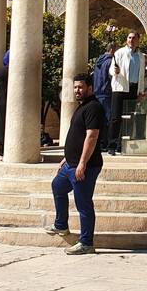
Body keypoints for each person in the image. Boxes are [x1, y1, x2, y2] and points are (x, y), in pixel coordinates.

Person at [46, 73, 106, 255]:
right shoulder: (82, 107)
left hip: (85, 166)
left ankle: (86, 243)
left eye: (80, 87)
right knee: (57, 186)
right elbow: (78, 135)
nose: (77, 91)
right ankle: (61, 225)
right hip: (70, 164)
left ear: (90, 88)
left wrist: (82, 163)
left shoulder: (94, 107)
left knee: (83, 203)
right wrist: (67, 157)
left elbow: (92, 136)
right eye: (75, 87)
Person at [107, 31, 145, 156]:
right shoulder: (119, 53)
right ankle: (112, 145)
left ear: (138, 40)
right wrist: (115, 71)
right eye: (129, 38)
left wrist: (141, 91)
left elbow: (141, 75)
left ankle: (122, 145)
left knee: (130, 118)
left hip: (133, 89)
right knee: (115, 118)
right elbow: (112, 69)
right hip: (120, 88)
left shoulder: (141, 56)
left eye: (134, 38)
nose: (131, 40)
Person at [91, 42, 114, 123]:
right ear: (112, 50)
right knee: (108, 120)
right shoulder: (110, 62)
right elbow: (112, 77)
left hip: (97, 93)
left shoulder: (98, 62)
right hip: (106, 94)